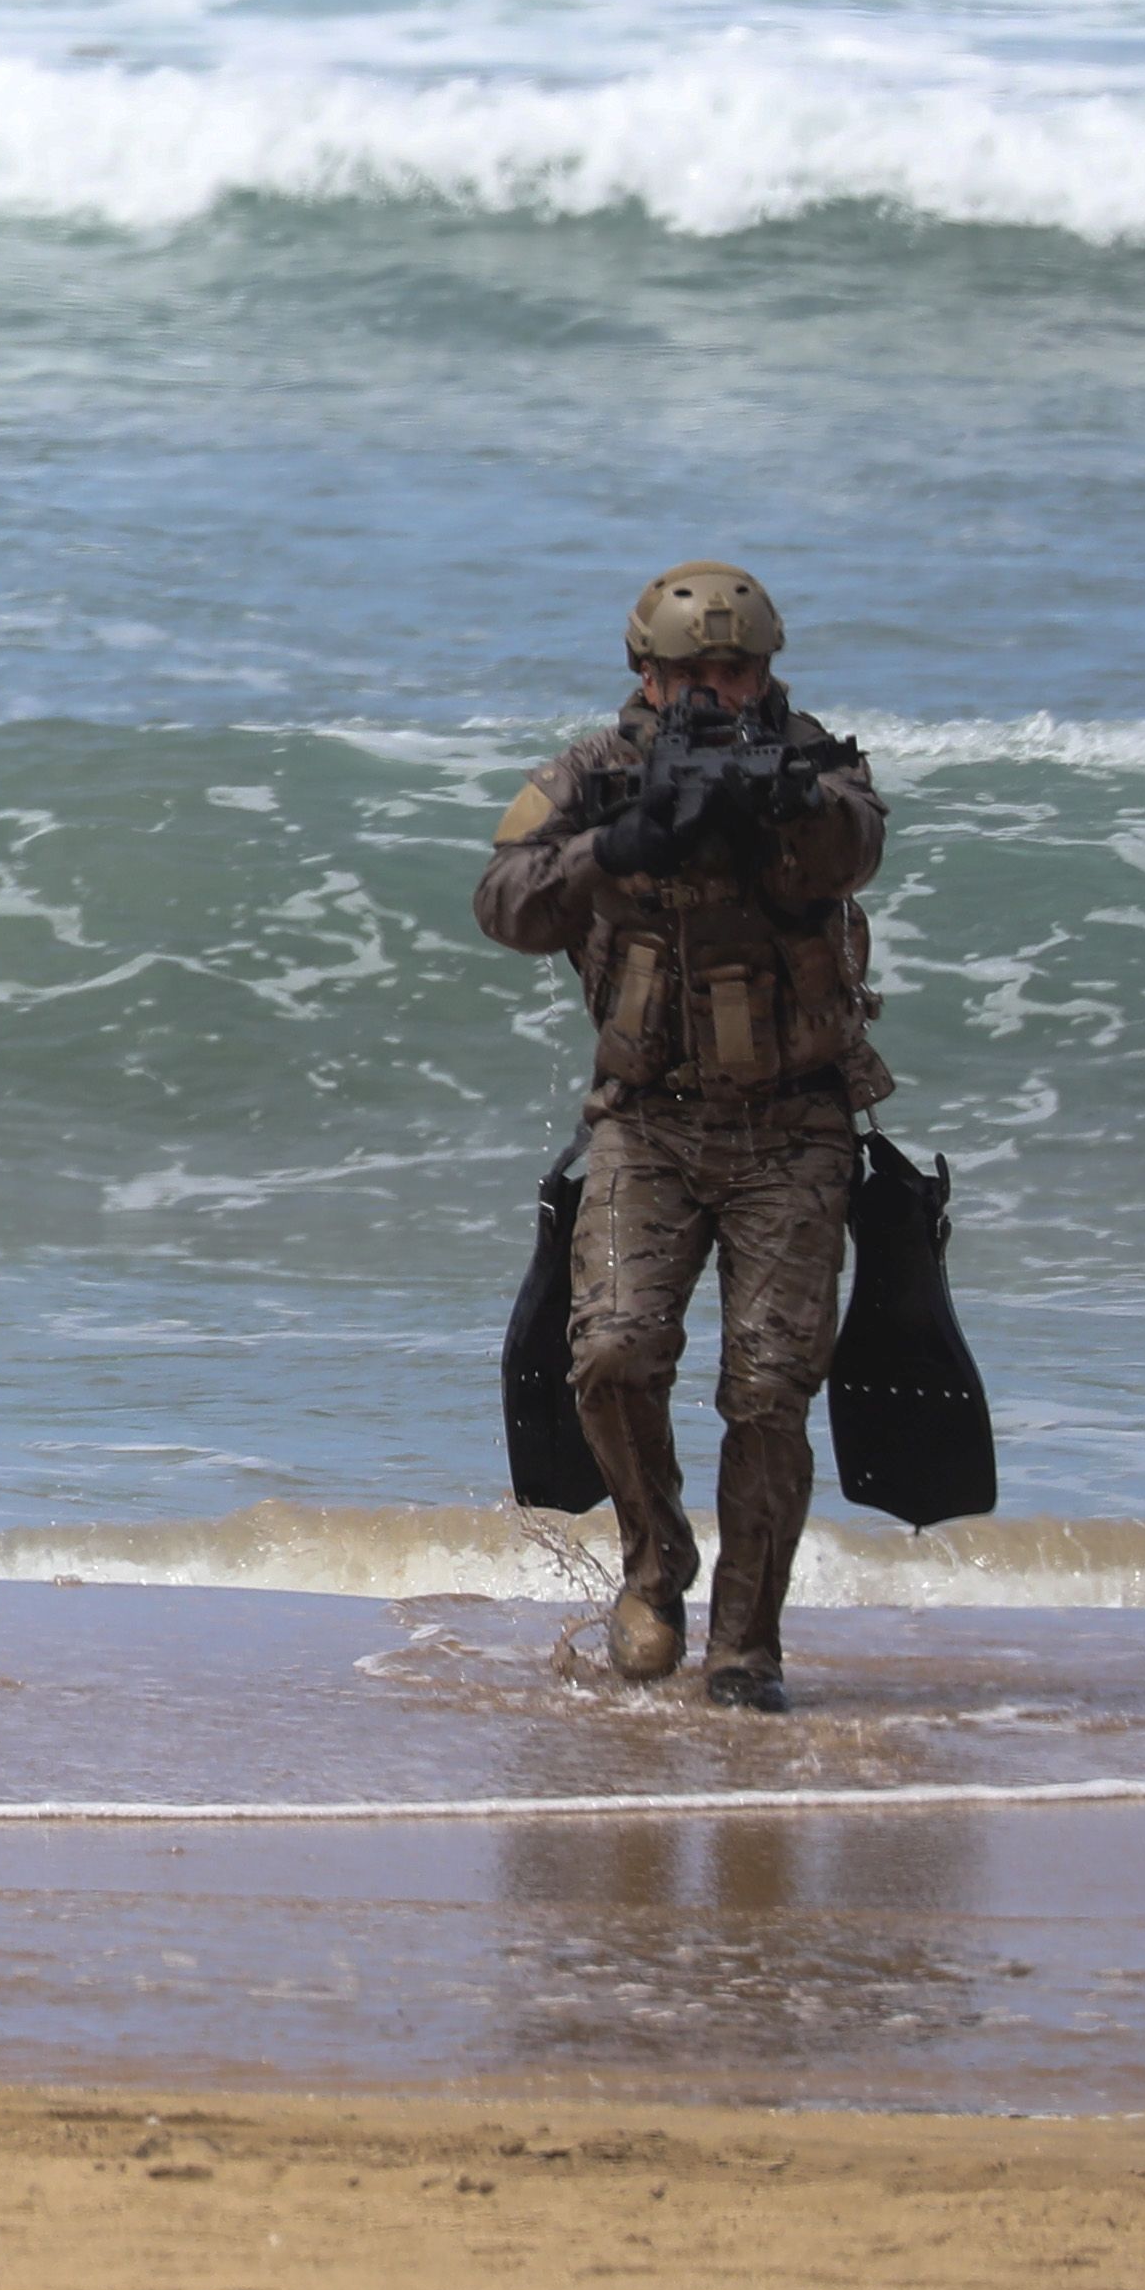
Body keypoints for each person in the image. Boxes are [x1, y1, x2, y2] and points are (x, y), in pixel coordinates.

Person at [472, 561, 893, 1711]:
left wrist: (776, 811)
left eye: (737, 668)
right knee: (610, 1355)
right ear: (644, 675)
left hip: (795, 1127)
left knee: (767, 1390)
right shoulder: (593, 775)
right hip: (646, 1126)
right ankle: (657, 1562)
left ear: (768, 669)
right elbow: (502, 900)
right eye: (690, 671)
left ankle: (747, 1650)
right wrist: (620, 846)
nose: (717, 688)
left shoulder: (811, 761)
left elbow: (856, 847)